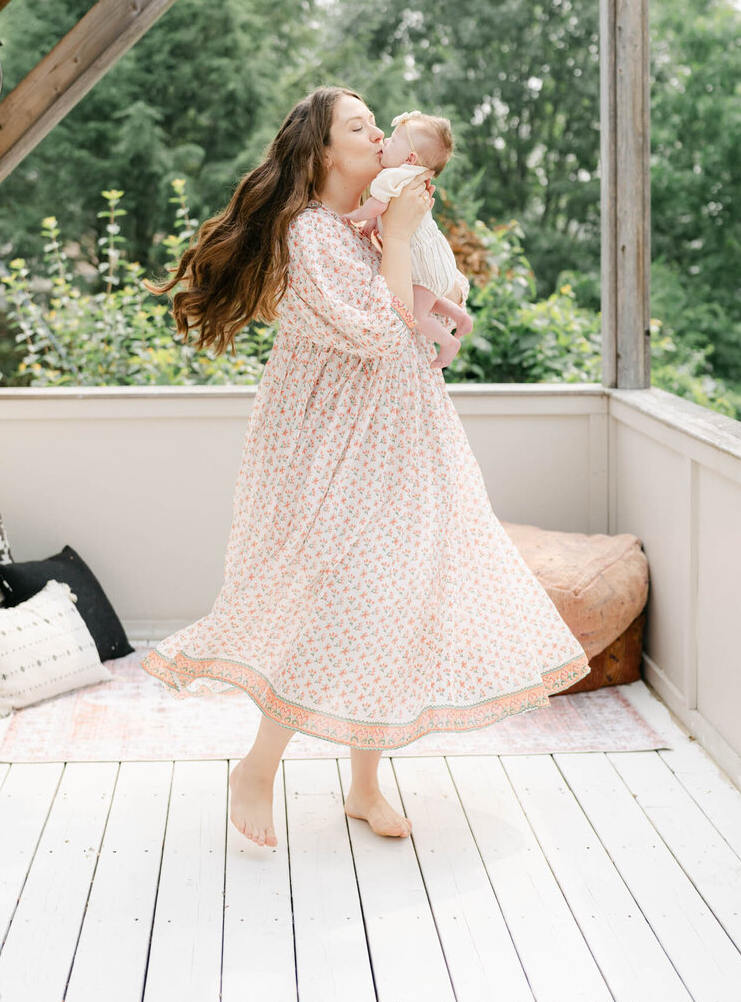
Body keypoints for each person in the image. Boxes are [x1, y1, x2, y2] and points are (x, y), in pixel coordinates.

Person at [140, 85, 591, 850]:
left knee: (390, 603)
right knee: (333, 598)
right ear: (322, 152)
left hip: (404, 442)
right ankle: (257, 767)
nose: (380, 134)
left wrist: (407, 239)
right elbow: (381, 334)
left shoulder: (368, 225)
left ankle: (364, 785)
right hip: (338, 449)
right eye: (360, 126)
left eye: (377, 124)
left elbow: (431, 304)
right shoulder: (311, 233)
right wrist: (397, 240)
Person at [343, 109, 472, 370]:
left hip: (422, 263)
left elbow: (376, 207)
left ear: (410, 157)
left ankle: (448, 343)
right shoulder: (411, 180)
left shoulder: (392, 177)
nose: (384, 141)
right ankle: (459, 315)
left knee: (414, 311)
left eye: (392, 139)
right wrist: (372, 223)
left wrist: (357, 215)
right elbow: (385, 211)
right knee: (421, 294)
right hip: (435, 258)